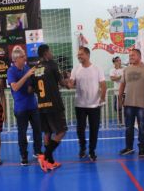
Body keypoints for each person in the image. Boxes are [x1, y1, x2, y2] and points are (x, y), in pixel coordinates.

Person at [32, 44, 68, 172]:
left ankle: (50, 162)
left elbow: (31, 89)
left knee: (47, 132)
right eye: (51, 51)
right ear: (46, 53)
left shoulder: (35, 68)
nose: (52, 53)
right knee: (61, 131)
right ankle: (45, 156)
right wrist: (69, 82)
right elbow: (62, 83)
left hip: (41, 105)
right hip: (54, 104)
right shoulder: (52, 64)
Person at [68, 47, 106, 161]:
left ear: (88, 55)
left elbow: (103, 85)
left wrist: (102, 98)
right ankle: (82, 148)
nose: (79, 56)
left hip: (94, 105)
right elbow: (71, 84)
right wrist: (67, 82)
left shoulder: (97, 69)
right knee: (80, 129)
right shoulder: (76, 69)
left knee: (94, 129)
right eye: (78, 54)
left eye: (81, 54)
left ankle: (92, 150)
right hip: (80, 105)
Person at [118, 49, 144, 157]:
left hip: (142, 104)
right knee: (128, 127)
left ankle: (142, 149)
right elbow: (122, 86)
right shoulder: (126, 70)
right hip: (128, 103)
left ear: (139, 56)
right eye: (130, 55)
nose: (131, 57)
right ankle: (129, 147)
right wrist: (120, 100)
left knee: (142, 127)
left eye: (133, 55)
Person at [7, 48, 42, 166]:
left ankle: (37, 151)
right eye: (22, 57)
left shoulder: (27, 68)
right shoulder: (11, 71)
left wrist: (33, 87)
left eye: (24, 56)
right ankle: (24, 155)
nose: (25, 58)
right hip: (21, 108)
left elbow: (31, 86)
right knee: (22, 132)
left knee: (38, 129)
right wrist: (26, 76)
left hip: (33, 105)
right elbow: (15, 87)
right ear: (16, 59)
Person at [109, 56, 124, 126]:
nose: (119, 62)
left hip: (125, 91)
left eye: (120, 60)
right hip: (117, 92)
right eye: (118, 61)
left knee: (126, 107)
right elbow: (112, 78)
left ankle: (125, 121)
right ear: (114, 62)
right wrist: (120, 77)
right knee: (117, 108)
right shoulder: (112, 70)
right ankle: (120, 121)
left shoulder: (124, 69)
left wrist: (118, 77)